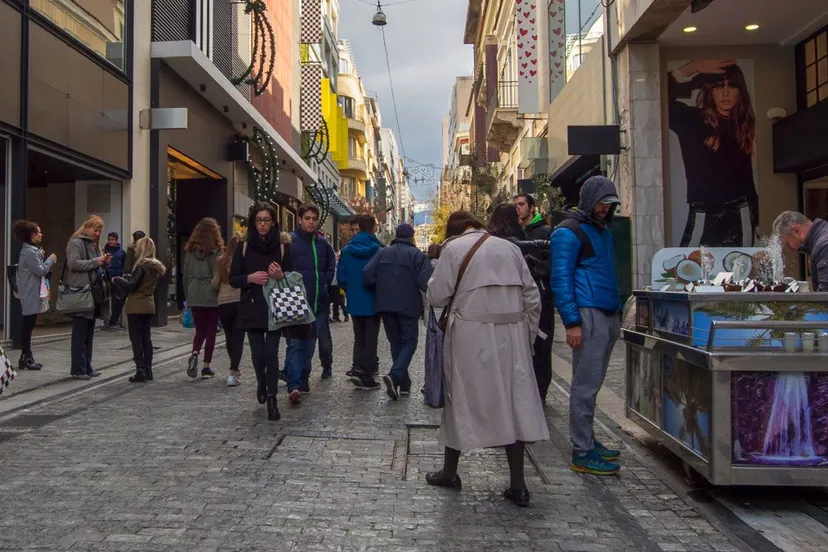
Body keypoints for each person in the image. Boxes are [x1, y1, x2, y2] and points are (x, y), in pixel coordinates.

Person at [425, 211, 548, 507]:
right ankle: (518, 484)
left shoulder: (453, 249)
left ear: (455, 231)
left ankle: (450, 472)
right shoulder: (510, 248)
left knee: (461, 398)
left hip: (470, 334)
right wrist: (526, 337)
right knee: (513, 401)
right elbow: (532, 298)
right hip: (512, 336)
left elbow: (436, 295)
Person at [550, 175, 624, 476]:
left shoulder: (601, 231)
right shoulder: (568, 233)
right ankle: (581, 449)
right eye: (602, 203)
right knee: (585, 385)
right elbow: (561, 279)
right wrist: (572, 322)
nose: (605, 209)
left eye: (610, 204)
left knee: (591, 384)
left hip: (606, 313)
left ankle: (588, 441)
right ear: (589, 199)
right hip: (589, 314)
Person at [668, 60, 758, 246]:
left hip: (741, 209)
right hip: (703, 210)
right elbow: (658, 98)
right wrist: (690, 69)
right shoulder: (692, 120)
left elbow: (747, 180)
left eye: (731, 86)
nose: (725, 93)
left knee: (743, 270)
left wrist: (755, 219)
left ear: (740, 91)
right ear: (709, 90)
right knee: (687, 269)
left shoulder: (743, 123)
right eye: (718, 86)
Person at [230, 203, 295, 421]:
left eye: (266, 220)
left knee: (271, 354)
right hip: (252, 305)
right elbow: (233, 278)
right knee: (258, 356)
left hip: (276, 307)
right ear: (253, 222)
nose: (263, 224)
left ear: (274, 222)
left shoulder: (284, 246)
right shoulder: (244, 246)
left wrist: (280, 276)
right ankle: (261, 381)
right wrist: (250, 278)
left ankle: (272, 398)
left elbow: (294, 277)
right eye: (259, 220)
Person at [363, 223, 433, 400]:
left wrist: (380, 287)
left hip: (386, 305)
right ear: (412, 236)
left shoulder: (382, 252)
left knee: (396, 344)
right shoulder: (416, 255)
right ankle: (395, 376)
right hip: (408, 306)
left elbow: (367, 274)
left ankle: (404, 383)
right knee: (410, 343)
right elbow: (427, 281)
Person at [285, 204, 336, 403]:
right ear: (300, 219)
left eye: (314, 218)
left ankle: (303, 379)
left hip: (318, 303)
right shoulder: (290, 242)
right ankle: (293, 384)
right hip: (295, 303)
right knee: (295, 344)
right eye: (307, 218)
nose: (311, 221)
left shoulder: (323, 244)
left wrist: (324, 283)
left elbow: (331, 267)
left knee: (310, 345)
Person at [509, 198, 555, 403]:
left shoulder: (545, 232)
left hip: (541, 296)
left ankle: (541, 392)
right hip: (520, 300)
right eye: (515, 205)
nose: (517, 208)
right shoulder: (517, 234)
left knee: (542, 345)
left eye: (521, 204)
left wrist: (534, 265)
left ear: (532, 207)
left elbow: (554, 265)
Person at [337, 214, 384, 390]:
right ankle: (367, 375)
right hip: (373, 300)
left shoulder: (347, 250)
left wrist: (350, 289)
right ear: (372, 228)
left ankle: (357, 367)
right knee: (371, 339)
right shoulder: (378, 250)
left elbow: (340, 277)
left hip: (355, 301)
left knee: (359, 337)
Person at [112, 238, 165, 383]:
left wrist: (117, 280)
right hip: (149, 304)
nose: (134, 249)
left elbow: (132, 286)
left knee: (136, 338)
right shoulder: (155, 267)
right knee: (146, 338)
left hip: (137, 304)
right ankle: (148, 369)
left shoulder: (141, 265)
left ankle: (140, 370)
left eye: (137, 247)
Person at [65, 215, 111, 380]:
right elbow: (74, 264)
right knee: (80, 332)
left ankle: (87, 366)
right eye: (95, 230)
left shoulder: (93, 244)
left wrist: (104, 263)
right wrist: (96, 261)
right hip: (81, 292)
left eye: (99, 231)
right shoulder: (76, 243)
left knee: (89, 332)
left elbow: (94, 265)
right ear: (86, 228)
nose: (98, 233)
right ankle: (78, 369)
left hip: (92, 293)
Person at [13, 220, 57, 371]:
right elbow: (40, 271)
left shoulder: (31, 250)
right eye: (38, 232)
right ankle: (26, 357)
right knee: (28, 325)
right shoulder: (30, 252)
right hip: (30, 292)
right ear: (32, 235)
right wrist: (50, 260)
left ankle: (27, 356)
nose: (41, 234)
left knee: (29, 325)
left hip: (31, 291)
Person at [183, 218, 223, 379]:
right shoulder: (215, 251)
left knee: (200, 331)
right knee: (211, 331)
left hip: (194, 294)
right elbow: (217, 275)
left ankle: (194, 353)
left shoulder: (190, 251)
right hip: (211, 296)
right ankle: (206, 367)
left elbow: (185, 276)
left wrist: (188, 297)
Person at [214, 234, 245, 387]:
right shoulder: (242, 260)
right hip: (238, 300)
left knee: (229, 336)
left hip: (223, 301)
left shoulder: (221, 260)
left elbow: (215, 281)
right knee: (238, 338)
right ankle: (233, 371)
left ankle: (235, 368)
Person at [773, 211, 828, 291]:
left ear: (796, 231)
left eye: (788, 244)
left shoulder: (824, 247)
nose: (791, 250)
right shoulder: (822, 240)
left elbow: (825, 295)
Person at [422, 242, 443, 404]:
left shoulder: (425, 267)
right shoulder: (444, 266)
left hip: (429, 311)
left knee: (431, 349)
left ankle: (429, 382)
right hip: (444, 312)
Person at [104, 232, 127, 330]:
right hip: (106, 278)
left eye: (112, 239)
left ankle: (114, 321)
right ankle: (107, 321)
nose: (110, 241)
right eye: (109, 239)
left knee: (118, 299)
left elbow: (124, 266)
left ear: (116, 240)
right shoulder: (104, 251)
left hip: (117, 279)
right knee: (105, 300)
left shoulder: (121, 252)